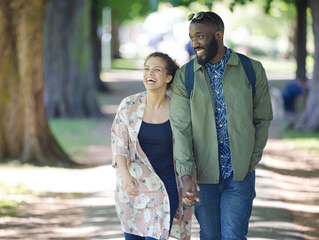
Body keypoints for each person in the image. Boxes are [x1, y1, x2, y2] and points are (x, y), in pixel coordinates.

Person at [169, 11, 273, 239]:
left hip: (239, 175)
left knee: (234, 236)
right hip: (202, 176)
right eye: (191, 37)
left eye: (199, 37)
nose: (194, 43)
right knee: (209, 235)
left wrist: (250, 159)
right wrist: (186, 174)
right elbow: (181, 128)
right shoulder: (185, 76)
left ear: (218, 35)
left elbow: (263, 118)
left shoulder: (251, 69)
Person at [111, 52, 193, 240]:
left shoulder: (179, 109)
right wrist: (125, 175)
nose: (150, 73)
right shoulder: (128, 105)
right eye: (147, 68)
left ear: (168, 78)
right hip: (133, 185)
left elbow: (188, 149)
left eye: (157, 70)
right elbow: (119, 144)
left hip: (166, 187)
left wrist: (191, 180)